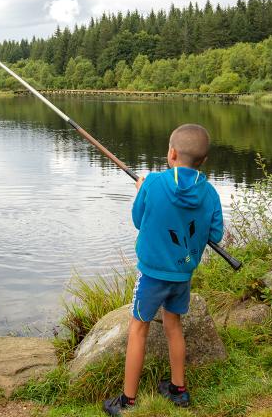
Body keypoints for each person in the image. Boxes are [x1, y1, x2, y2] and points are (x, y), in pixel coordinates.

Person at [103, 123, 224, 415]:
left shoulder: (154, 183)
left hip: (152, 275)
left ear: (171, 153)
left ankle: (127, 401)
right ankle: (177, 390)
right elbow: (216, 234)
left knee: (138, 329)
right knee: (173, 326)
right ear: (203, 160)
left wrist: (142, 190)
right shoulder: (209, 194)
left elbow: (137, 219)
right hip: (183, 275)